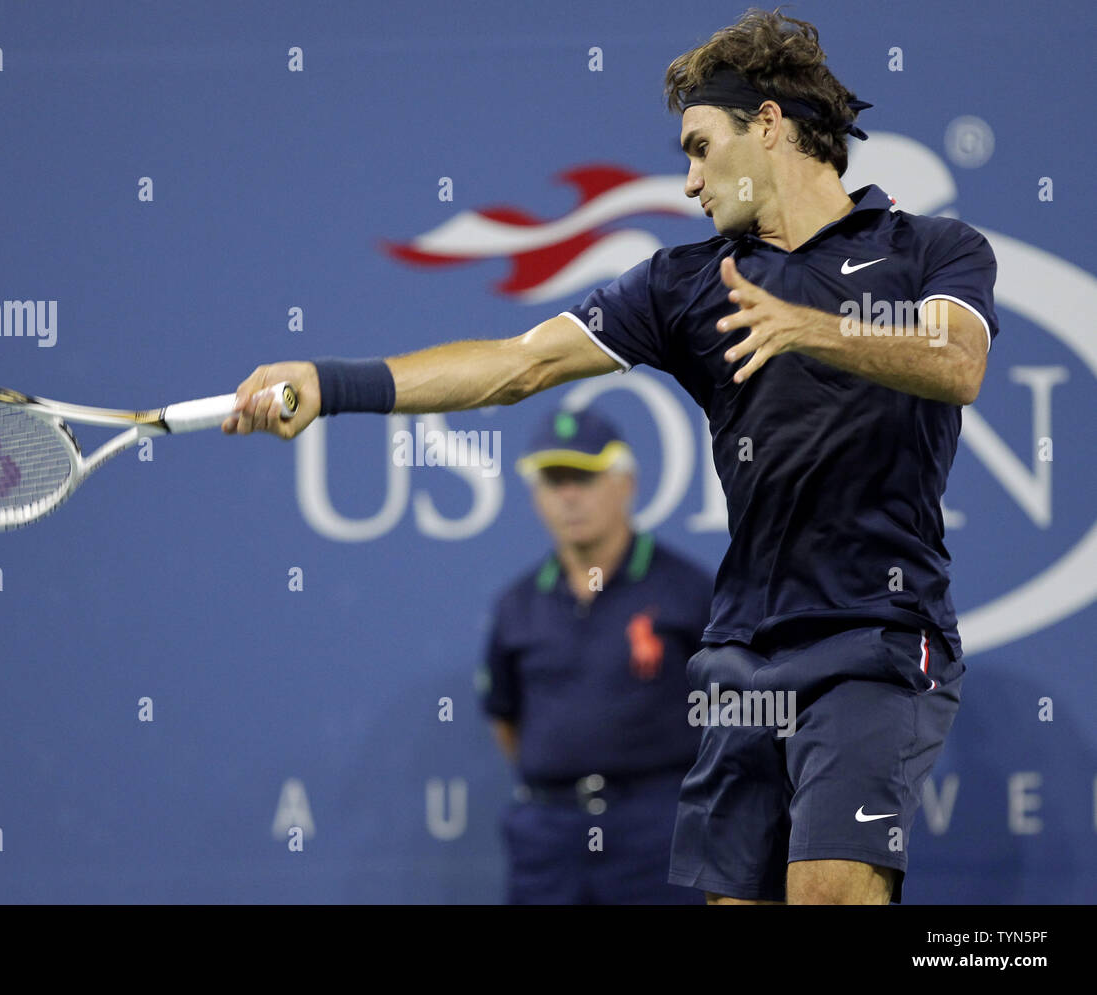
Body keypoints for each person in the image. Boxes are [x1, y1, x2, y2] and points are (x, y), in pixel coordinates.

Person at [222, 8, 997, 905]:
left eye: (702, 147)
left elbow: (956, 361)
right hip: (743, 655)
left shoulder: (932, 249)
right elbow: (517, 366)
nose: (691, 181)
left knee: (827, 891)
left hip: (878, 635)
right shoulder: (684, 283)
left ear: (771, 125)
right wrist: (331, 383)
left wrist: (809, 329)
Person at [479, 407, 710, 904]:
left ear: (626, 483)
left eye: (584, 476)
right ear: (536, 495)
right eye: (554, 480)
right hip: (549, 836)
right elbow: (506, 718)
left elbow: (733, 717)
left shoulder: (688, 592)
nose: (569, 495)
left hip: (660, 830)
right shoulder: (515, 605)